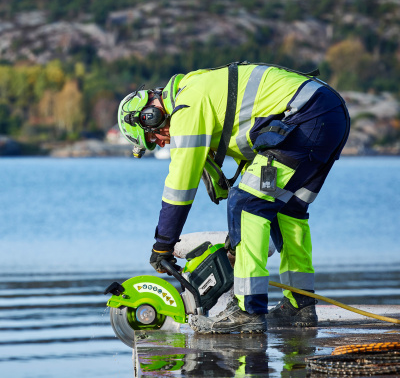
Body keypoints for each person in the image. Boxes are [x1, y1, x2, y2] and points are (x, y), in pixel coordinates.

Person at [117, 61, 350, 334]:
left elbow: (180, 185)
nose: (161, 142)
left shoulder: (186, 107)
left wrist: (162, 245)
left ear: (150, 116)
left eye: (153, 137)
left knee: (247, 204)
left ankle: (249, 309)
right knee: (289, 212)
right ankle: (299, 305)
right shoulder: (195, 89)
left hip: (305, 117)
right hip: (327, 114)